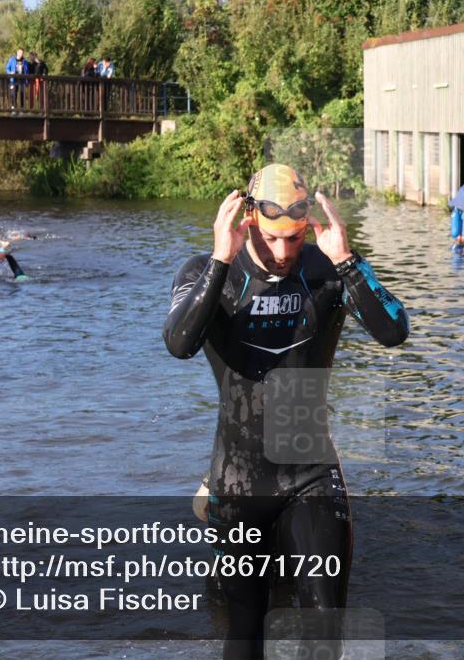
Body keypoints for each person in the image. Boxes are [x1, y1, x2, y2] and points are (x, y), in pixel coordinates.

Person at [163, 164, 409, 659]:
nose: (283, 252)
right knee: (245, 627)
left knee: (323, 628)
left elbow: (394, 331)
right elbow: (179, 342)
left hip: (311, 473)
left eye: (294, 238)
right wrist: (218, 259)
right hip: (239, 478)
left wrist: (349, 262)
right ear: (250, 221)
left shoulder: (326, 270)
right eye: (273, 238)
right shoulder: (207, 271)